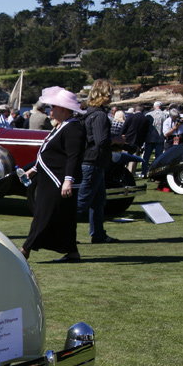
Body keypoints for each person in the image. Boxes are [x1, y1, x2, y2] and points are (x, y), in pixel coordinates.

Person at [20, 88, 86, 263]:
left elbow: (74, 156)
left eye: (53, 107)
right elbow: (49, 153)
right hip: (51, 179)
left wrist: (68, 180)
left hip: (59, 180)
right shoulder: (62, 126)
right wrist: (34, 170)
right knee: (65, 216)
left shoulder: (73, 128)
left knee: (44, 213)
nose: (50, 110)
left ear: (63, 108)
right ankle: (72, 251)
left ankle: (25, 249)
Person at [76, 79, 120, 245]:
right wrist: (116, 140)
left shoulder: (88, 112)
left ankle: (98, 233)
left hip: (90, 160)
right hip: (94, 161)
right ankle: (62, 232)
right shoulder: (100, 115)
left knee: (97, 199)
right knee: (83, 200)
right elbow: (102, 141)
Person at [121, 105, 152, 176]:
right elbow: (145, 132)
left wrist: (122, 135)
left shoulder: (131, 117)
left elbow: (125, 126)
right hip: (138, 141)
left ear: (135, 110)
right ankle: (130, 174)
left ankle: (122, 172)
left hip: (128, 139)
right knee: (133, 159)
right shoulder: (146, 119)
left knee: (124, 156)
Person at [143, 101, 166, 170]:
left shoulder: (148, 114)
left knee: (146, 156)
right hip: (160, 138)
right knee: (158, 156)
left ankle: (144, 171)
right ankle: (157, 170)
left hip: (149, 138)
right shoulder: (164, 115)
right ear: (161, 107)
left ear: (154, 106)